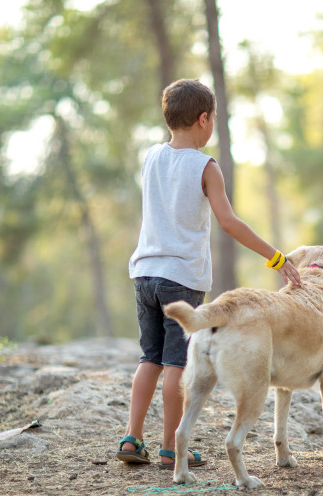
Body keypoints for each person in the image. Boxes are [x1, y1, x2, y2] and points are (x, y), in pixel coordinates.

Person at [118, 78, 302, 469]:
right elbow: (229, 223)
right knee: (175, 364)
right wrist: (276, 257)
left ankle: (132, 439)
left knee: (147, 358)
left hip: (145, 272)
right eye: (214, 118)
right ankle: (170, 447)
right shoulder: (206, 166)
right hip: (180, 278)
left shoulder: (150, 156)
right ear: (204, 119)